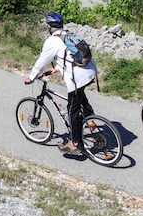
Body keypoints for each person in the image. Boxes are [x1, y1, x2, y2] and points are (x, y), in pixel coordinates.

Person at [24, 12, 98, 156]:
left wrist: (31, 77)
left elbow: (41, 61)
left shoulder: (51, 41)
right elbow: (69, 56)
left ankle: (75, 144)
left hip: (78, 78)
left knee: (72, 109)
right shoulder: (68, 34)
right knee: (82, 101)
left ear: (49, 27)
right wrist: (56, 69)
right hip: (90, 71)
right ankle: (93, 127)